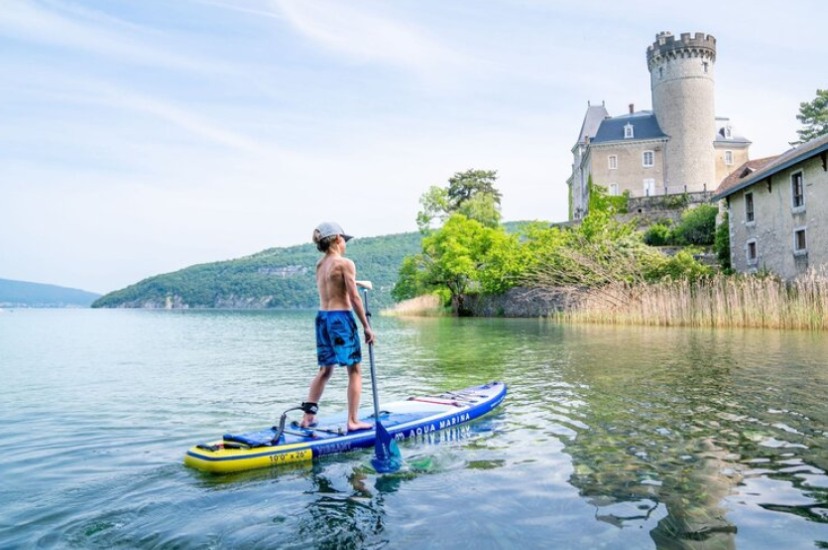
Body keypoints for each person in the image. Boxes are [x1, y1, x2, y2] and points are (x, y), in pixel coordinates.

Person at [300, 222, 375, 432]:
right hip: (340, 318)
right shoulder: (345, 264)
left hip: (322, 317)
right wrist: (367, 327)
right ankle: (352, 421)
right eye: (343, 239)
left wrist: (354, 281)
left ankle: (307, 417)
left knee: (325, 370)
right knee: (355, 370)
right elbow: (354, 297)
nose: (345, 243)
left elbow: (333, 284)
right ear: (335, 240)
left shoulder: (320, 265)